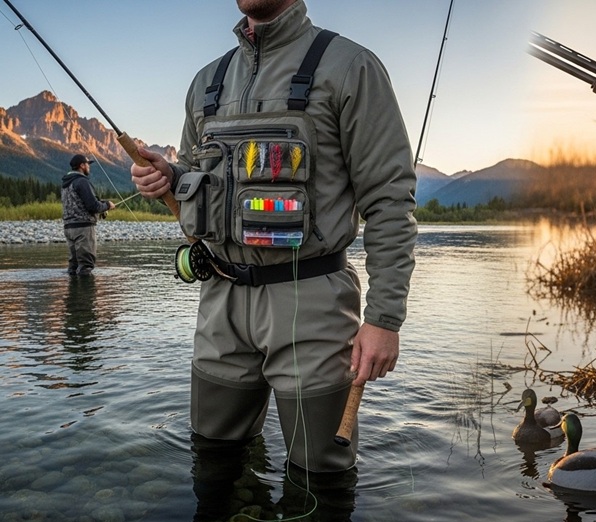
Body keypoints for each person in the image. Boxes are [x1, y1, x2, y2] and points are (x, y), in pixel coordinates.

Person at [130, 0, 417, 475]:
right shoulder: (205, 82)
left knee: (322, 472)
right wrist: (170, 176)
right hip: (219, 302)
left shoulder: (351, 66)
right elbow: (196, 178)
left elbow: (389, 200)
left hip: (314, 302)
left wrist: (384, 319)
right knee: (211, 458)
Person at [62, 154, 116, 276]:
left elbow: (79, 202)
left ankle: (73, 288)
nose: (89, 167)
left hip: (69, 228)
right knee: (86, 266)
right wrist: (108, 205)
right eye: (87, 164)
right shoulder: (82, 181)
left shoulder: (66, 183)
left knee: (74, 266)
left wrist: (102, 204)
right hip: (83, 229)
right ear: (82, 165)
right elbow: (93, 206)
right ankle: (86, 289)